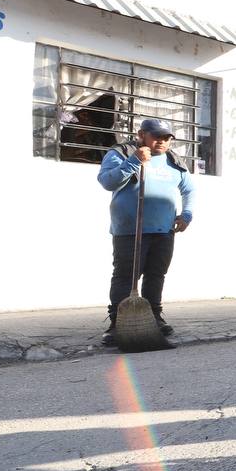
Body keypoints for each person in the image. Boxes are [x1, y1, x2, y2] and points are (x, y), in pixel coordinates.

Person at [97, 118, 195, 346]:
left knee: (156, 274)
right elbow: (107, 182)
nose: (162, 141)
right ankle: (118, 322)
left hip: (164, 229)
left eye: (166, 138)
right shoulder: (121, 153)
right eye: (156, 136)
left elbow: (189, 189)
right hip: (130, 229)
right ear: (142, 135)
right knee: (125, 275)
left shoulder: (174, 160)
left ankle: (154, 318)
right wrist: (135, 161)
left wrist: (187, 214)